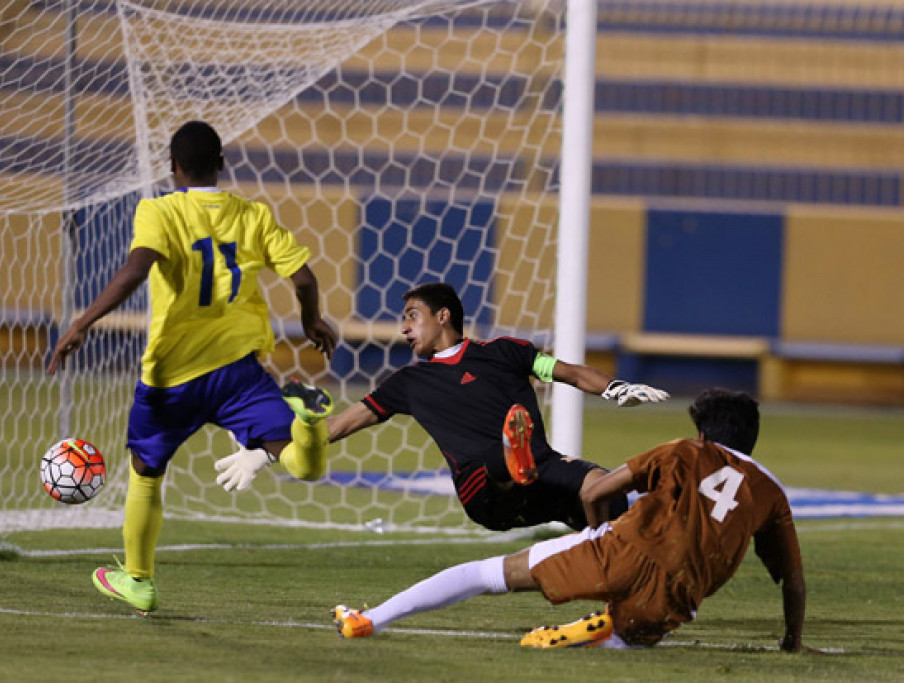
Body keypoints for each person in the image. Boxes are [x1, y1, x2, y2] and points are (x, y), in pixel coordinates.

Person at [46, 120, 336, 614]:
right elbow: (305, 280)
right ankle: (308, 424)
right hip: (238, 372)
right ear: (221, 163)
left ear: (172, 167)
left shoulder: (159, 211)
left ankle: (138, 580)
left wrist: (82, 322)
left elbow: (135, 271)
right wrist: (311, 321)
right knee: (296, 461)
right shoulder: (253, 215)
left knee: (146, 469)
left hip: (173, 376)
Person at [330, 387, 806, 653]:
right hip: (683, 590)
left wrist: (596, 532)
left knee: (489, 574)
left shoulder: (684, 450)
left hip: (625, 547)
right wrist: (791, 641)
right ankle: (600, 632)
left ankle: (370, 620)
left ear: (702, 433)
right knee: (630, 637)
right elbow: (793, 582)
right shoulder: (771, 493)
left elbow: (595, 490)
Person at [216, 282, 668, 533]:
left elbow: (567, 372)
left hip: (541, 470)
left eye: (412, 316)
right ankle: (515, 465)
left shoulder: (506, 351)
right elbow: (337, 427)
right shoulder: (408, 383)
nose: (404, 329)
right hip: (481, 488)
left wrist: (616, 388)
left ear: (443, 316)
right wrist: (265, 452)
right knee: (501, 465)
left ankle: (608, 558)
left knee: (605, 492)